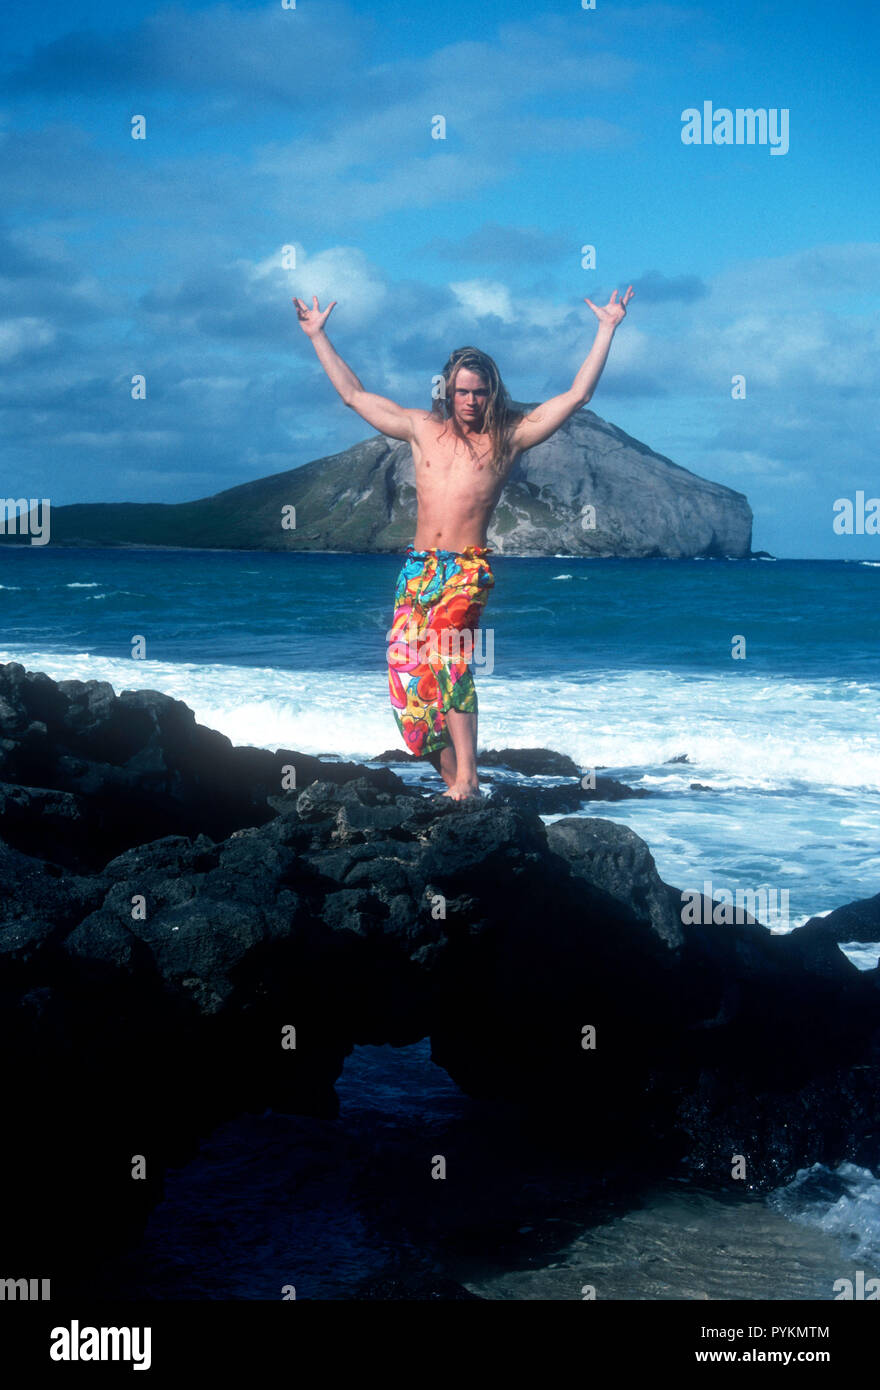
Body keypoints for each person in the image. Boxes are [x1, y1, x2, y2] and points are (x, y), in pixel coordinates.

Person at [294, 286, 634, 799]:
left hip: (465, 570)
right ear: (446, 392)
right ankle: (460, 786)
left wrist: (606, 329)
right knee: (407, 687)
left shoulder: (507, 439)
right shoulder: (421, 429)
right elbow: (354, 396)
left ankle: (469, 777)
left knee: (449, 662)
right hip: (417, 570)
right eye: (462, 391)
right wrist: (319, 336)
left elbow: (576, 396)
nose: (471, 401)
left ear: (491, 393)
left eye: (480, 392)